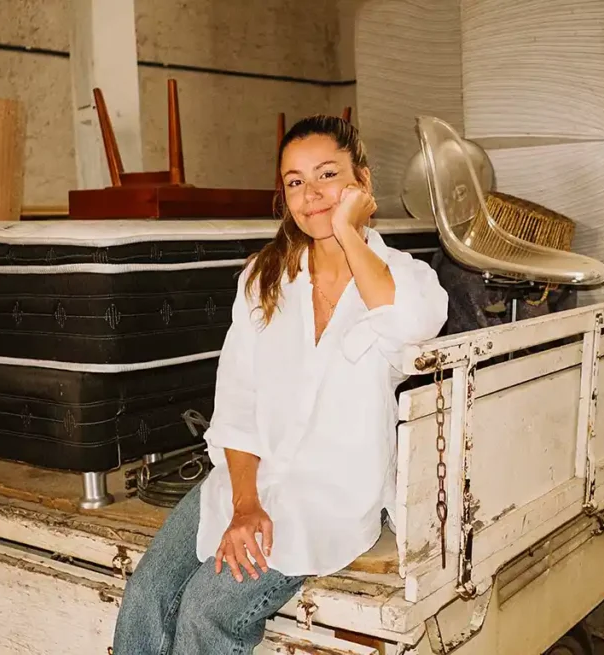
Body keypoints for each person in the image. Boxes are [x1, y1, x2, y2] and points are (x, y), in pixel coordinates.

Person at [112, 114, 449, 654]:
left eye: (327, 175)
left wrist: (347, 232)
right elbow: (237, 400)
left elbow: (412, 323)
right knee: (146, 596)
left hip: (324, 501)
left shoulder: (405, 278)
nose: (311, 195)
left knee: (206, 609)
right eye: (295, 181)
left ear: (362, 181)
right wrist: (245, 504)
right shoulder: (264, 279)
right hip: (246, 481)